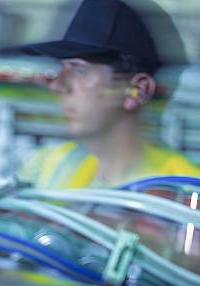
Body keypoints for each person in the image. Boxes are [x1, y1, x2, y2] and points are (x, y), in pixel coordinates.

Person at [16, 0, 200, 189]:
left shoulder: (184, 189)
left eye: (79, 70)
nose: (57, 85)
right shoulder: (54, 165)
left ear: (138, 91)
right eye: (62, 67)